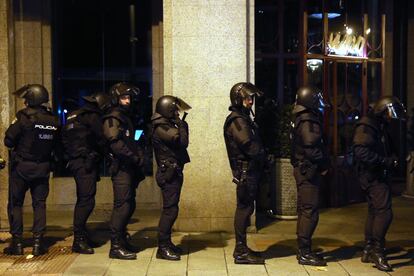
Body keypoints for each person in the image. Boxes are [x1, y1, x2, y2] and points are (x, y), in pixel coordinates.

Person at [4, 84, 60, 256]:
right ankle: (38, 243)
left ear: (31, 99)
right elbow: (57, 145)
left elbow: (9, 141)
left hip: (22, 168)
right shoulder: (53, 119)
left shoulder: (23, 117)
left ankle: (17, 243)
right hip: (42, 168)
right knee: (39, 205)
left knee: (16, 204)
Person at [353, 96, 406, 272]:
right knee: (384, 212)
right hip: (372, 175)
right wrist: (385, 161)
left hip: (374, 174)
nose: (391, 117)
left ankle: (369, 248)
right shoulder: (367, 126)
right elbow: (361, 151)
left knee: (375, 211)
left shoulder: (378, 124)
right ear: (382, 111)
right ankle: (378, 250)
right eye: (389, 113)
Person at [62, 92, 111, 254]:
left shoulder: (73, 115)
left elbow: (64, 139)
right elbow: (101, 138)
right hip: (86, 162)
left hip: (76, 161)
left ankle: (82, 235)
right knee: (86, 200)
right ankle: (79, 240)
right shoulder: (92, 116)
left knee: (84, 199)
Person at [223, 82, 266, 264]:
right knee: (244, 209)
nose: (250, 101)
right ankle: (240, 251)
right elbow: (248, 145)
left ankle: (242, 248)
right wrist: (262, 153)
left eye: (252, 98)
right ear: (238, 99)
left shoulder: (244, 118)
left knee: (247, 209)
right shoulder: (237, 120)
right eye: (247, 98)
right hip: (245, 172)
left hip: (249, 171)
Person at [102, 82, 145, 260]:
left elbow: (131, 141)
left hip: (130, 167)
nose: (127, 101)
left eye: (128, 98)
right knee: (122, 206)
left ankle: (123, 240)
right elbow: (115, 143)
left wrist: (139, 155)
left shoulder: (125, 117)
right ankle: (116, 246)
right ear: (115, 98)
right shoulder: (113, 117)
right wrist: (133, 156)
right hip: (121, 168)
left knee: (129, 204)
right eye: (124, 98)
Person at [290, 86, 330, 266]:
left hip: (303, 170)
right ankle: (304, 253)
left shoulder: (300, 118)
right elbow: (312, 147)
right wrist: (324, 164)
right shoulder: (307, 120)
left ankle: (304, 250)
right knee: (309, 212)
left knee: (306, 211)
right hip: (308, 171)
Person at [152, 95, 191, 261]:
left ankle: (166, 244)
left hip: (173, 171)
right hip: (168, 174)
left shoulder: (166, 125)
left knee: (172, 209)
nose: (177, 112)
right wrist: (183, 125)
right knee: (170, 211)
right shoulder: (161, 127)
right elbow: (181, 141)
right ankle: (163, 247)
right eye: (174, 109)